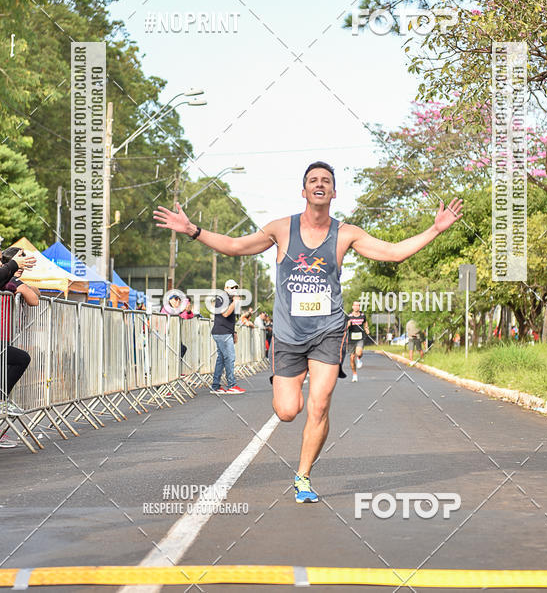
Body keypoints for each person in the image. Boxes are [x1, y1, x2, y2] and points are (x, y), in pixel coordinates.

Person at [154, 160, 462, 504]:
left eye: (326, 181)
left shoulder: (346, 234)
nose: (320, 184)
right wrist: (193, 230)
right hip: (288, 334)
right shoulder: (281, 229)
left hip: (328, 331)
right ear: (304, 191)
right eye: (313, 180)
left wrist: (435, 230)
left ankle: (303, 476)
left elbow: (391, 253)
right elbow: (235, 245)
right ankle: (296, 408)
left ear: (333, 192)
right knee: (288, 410)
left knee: (319, 405)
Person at [0, 249, 37, 427]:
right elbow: (33, 298)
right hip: (2, 335)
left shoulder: (10, 279)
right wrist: (14, 269)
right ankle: (1, 400)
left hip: (4, 336)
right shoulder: (10, 280)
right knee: (21, 358)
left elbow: (34, 292)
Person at [209, 280, 246, 395]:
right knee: (230, 357)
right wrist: (235, 303)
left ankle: (216, 385)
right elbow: (225, 314)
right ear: (225, 288)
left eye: (235, 287)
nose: (234, 289)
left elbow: (230, 319)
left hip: (225, 332)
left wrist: (233, 332)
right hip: (221, 332)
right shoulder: (222, 298)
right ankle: (231, 385)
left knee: (222, 359)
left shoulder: (229, 299)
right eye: (231, 287)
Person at [347, 300, 369, 382]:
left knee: (359, 353)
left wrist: (366, 328)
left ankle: (359, 359)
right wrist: (348, 325)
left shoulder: (362, 315)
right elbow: (345, 327)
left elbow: (365, 323)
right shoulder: (349, 316)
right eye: (355, 305)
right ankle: (354, 374)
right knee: (352, 358)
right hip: (351, 339)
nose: (356, 307)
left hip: (360, 337)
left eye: (358, 305)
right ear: (352, 307)